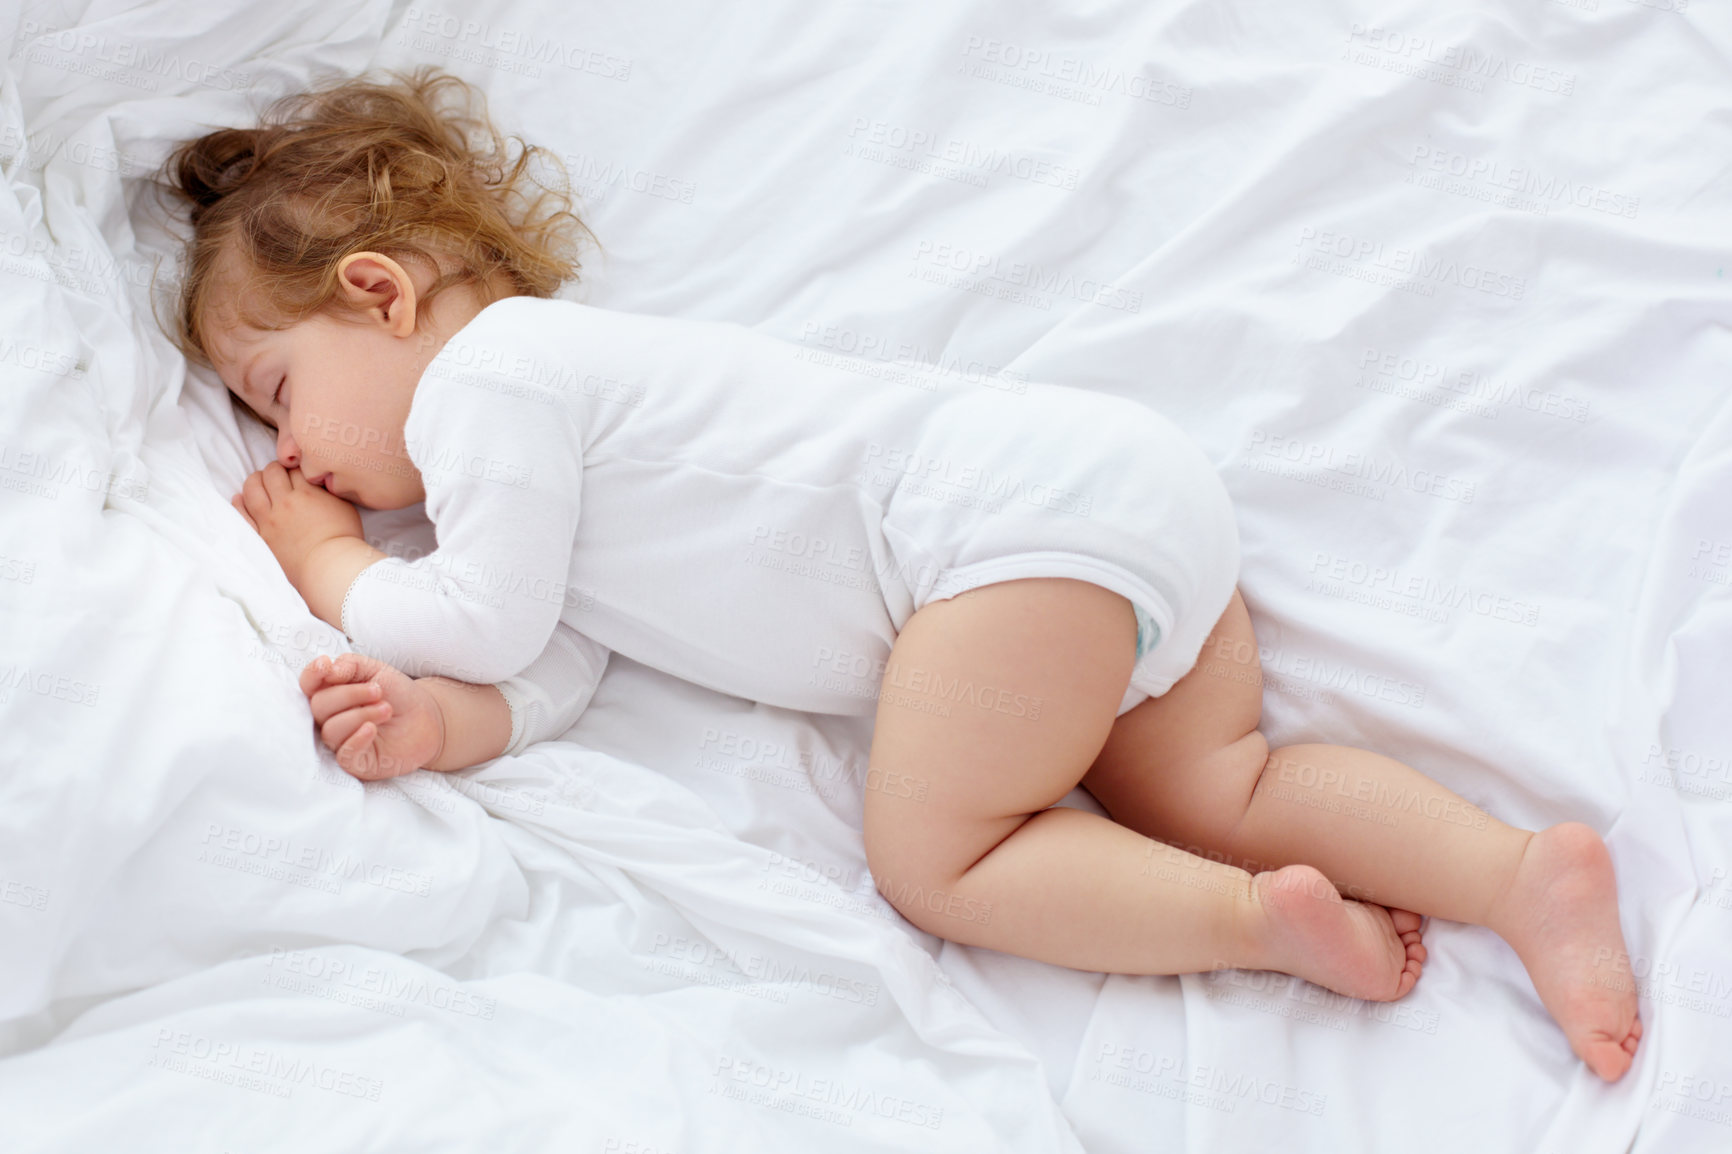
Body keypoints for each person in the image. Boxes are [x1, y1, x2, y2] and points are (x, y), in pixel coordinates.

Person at [158, 66, 1642, 1081]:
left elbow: (486, 613)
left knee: (938, 859)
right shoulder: (538, 444)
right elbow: (547, 660)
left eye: (278, 392)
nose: (294, 453)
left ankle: (1253, 924)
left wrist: (334, 564)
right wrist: (441, 726)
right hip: (1109, 507)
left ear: (379, 290)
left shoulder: (498, 380)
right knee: (1214, 781)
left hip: (993, 545)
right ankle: (1519, 876)